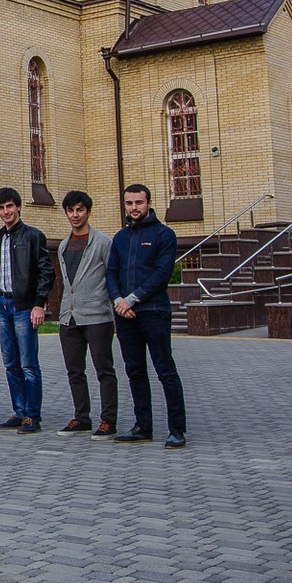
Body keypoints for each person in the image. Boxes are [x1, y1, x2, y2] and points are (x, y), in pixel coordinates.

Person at [107, 183, 187, 447]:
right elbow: (111, 273)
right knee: (135, 371)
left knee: (165, 370)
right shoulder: (120, 237)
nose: (133, 208)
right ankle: (143, 426)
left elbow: (161, 275)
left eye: (138, 203)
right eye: (129, 203)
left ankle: (176, 430)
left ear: (148, 203)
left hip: (154, 312)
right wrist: (118, 300)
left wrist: (131, 298)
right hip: (125, 315)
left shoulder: (164, 234)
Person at [0, 186, 55, 433]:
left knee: (28, 364)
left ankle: (32, 417)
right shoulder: (1, 239)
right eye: (1, 208)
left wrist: (39, 303)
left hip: (24, 306)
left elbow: (46, 271)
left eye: (9, 206)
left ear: (18, 207)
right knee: (10, 364)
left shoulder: (32, 236)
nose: (6, 211)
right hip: (3, 306)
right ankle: (19, 412)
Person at [55, 190, 118, 437]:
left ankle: (108, 420)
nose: (75, 215)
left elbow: (111, 278)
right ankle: (82, 417)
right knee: (74, 370)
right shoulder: (63, 245)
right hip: (69, 317)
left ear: (88, 212)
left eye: (80, 210)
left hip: (97, 316)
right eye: (71, 210)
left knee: (104, 370)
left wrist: (114, 309)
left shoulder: (103, 243)